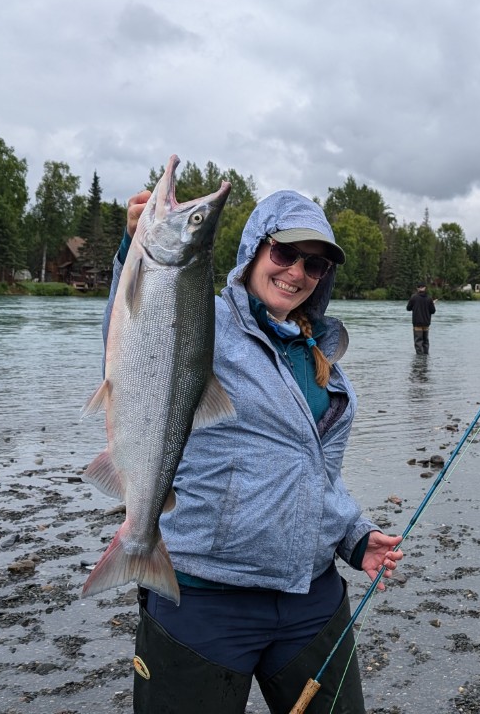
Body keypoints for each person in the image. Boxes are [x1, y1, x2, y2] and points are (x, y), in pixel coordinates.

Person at [108, 188, 403, 712]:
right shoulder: (206, 320)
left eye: (313, 264)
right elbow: (138, 335)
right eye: (284, 253)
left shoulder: (321, 357)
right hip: (202, 598)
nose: (296, 272)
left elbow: (316, 475)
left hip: (310, 598)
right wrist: (135, 250)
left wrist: (356, 538)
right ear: (252, 252)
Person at [405, 284, 437, 354]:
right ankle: (425, 359)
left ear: (417, 289)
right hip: (426, 323)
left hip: (417, 323)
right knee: (425, 341)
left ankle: (419, 360)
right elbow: (433, 311)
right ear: (425, 288)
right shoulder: (429, 298)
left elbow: (408, 308)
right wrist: (432, 303)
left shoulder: (413, 297)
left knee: (418, 342)